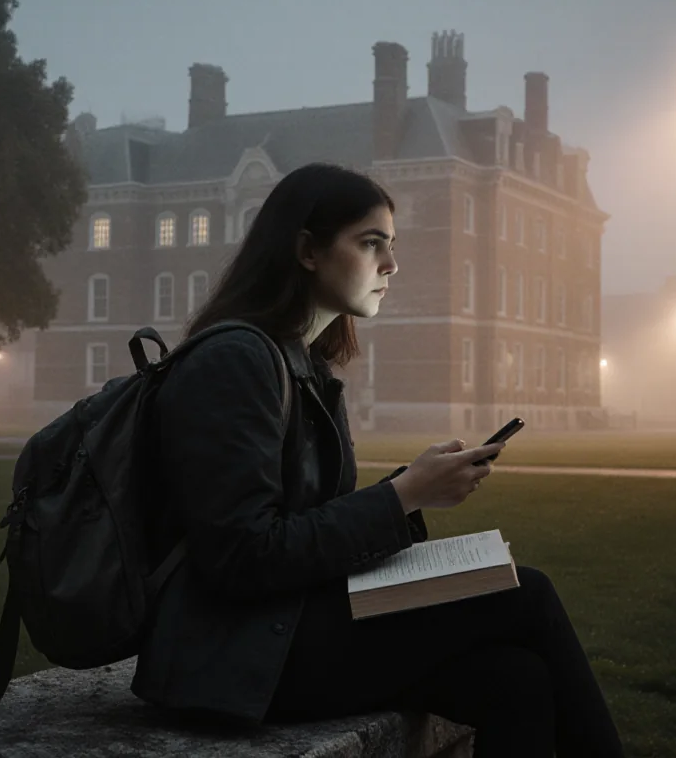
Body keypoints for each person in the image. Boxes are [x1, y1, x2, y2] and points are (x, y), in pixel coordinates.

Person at [132, 163, 625, 757]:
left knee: (515, 680)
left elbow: (313, 523)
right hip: (232, 655)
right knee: (526, 593)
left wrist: (412, 487)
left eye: (391, 246)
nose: (391, 265)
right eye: (371, 244)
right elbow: (242, 556)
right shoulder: (235, 360)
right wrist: (404, 495)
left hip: (282, 632)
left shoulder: (304, 365)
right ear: (307, 250)